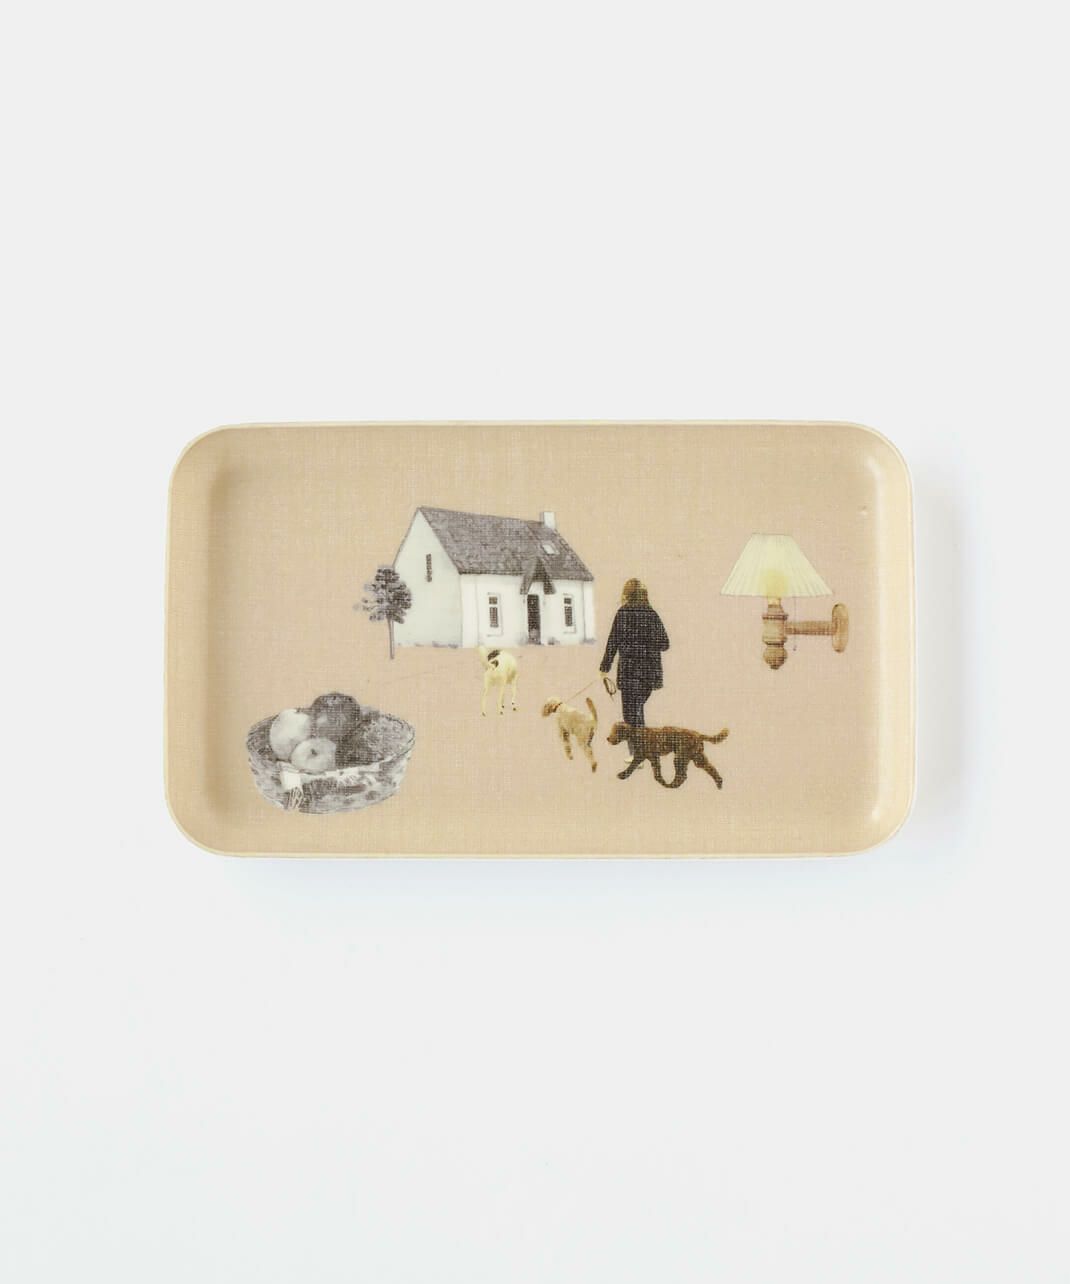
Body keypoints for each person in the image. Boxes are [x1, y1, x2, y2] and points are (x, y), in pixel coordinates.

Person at [599, 578, 670, 728]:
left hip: (628, 673)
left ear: (627, 594)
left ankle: (638, 742)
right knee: (636, 715)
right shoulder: (651, 614)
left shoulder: (623, 613)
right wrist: (647, 645)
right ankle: (640, 741)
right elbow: (665, 644)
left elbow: (612, 643)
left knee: (631, 718)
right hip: (648, 674)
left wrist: (604, 668)